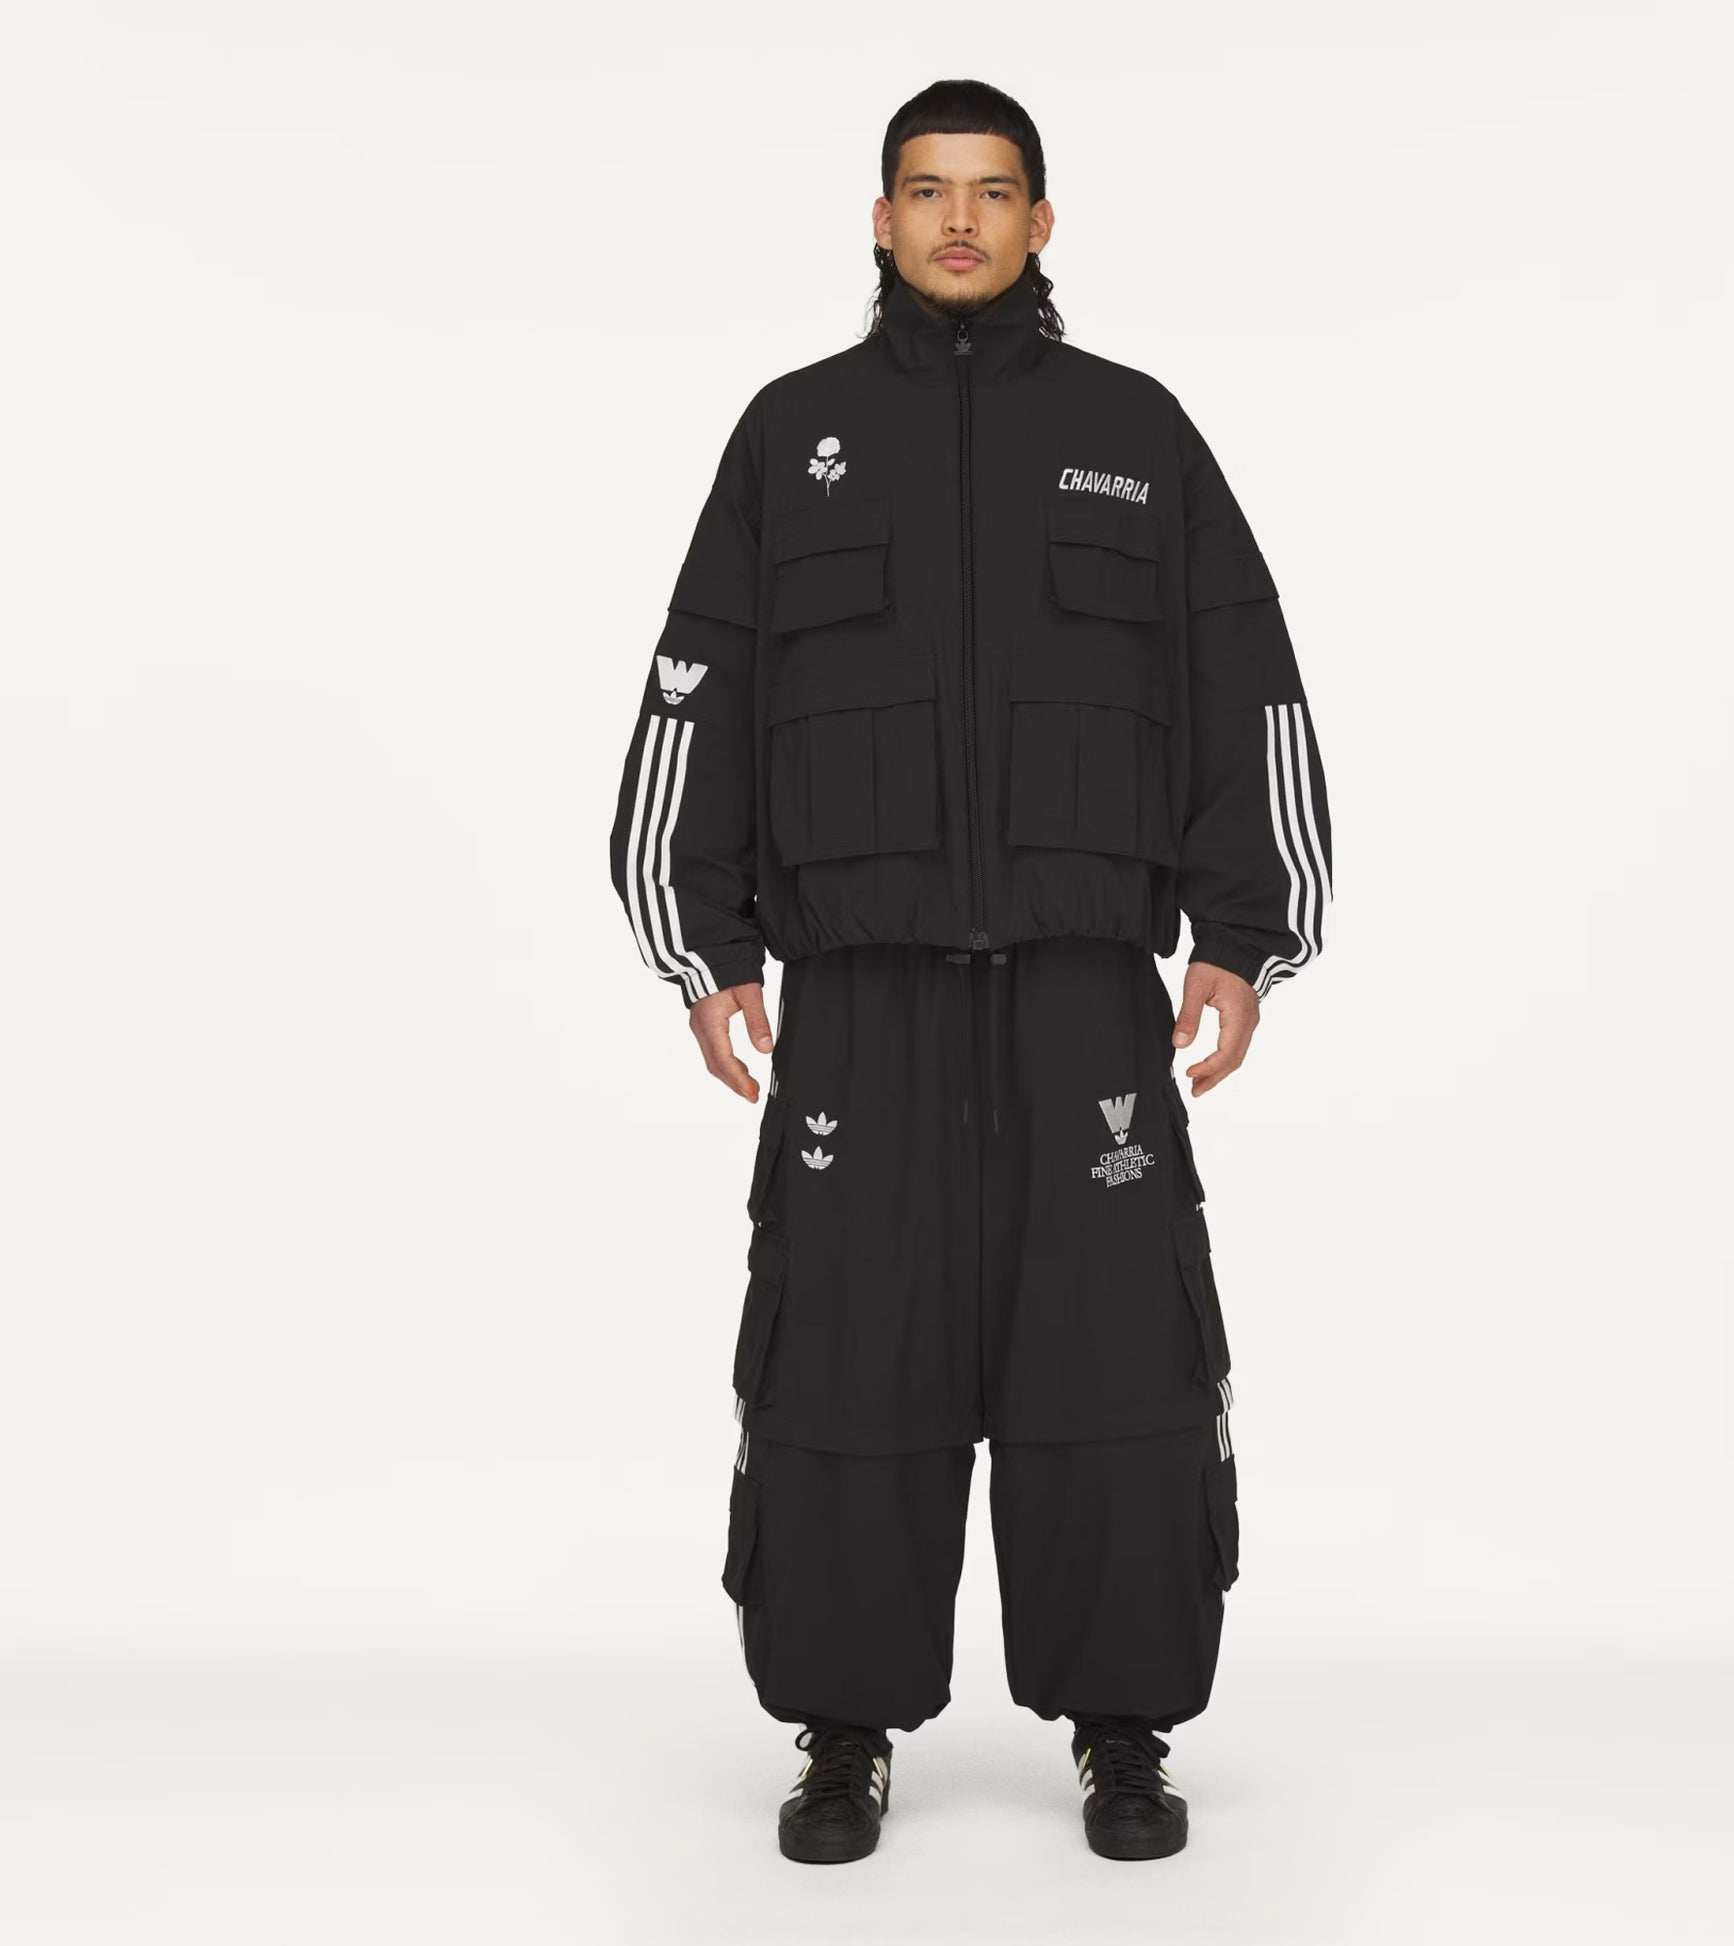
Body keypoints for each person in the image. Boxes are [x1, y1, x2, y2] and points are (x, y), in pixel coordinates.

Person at [608, 78, 1331, 1864]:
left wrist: (1244, 935)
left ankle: (1122, 1725)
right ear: (878, 219)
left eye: (991, 192)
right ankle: (842, 1726)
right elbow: (699, 693)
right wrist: (704, 947)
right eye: (925, 191)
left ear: (1040, 222)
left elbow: (1246, 680)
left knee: (1117, 1367)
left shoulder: (1135, 432)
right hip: (862, 1004)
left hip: (1087, 995)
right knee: (846, 1360)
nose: (956, 221)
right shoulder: (791, 434)